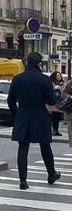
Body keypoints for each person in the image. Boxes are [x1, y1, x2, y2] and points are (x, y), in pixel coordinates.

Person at [7, 51, 60, 190]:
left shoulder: (17, 79)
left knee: (23, 147)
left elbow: (10, 100)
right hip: (40, 115)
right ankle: (51, 174)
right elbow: (51, 100)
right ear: (39, 64)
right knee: (45, 147)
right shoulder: (44, 79)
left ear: (26, 63)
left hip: (23, 114)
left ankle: (23, 180)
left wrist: (16, 115)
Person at [49, 70, 65, 136]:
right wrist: (54, 88)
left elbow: (65, 92)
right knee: (53, 117)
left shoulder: (63, 84)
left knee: (58, 117)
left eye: (60, 75)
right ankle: (53, 130)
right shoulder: (51, 83)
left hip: (60, 103)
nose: (59, 76)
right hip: (53, 103)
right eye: (57, 75)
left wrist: (60, 88)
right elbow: (48, 91)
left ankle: (56, 130)